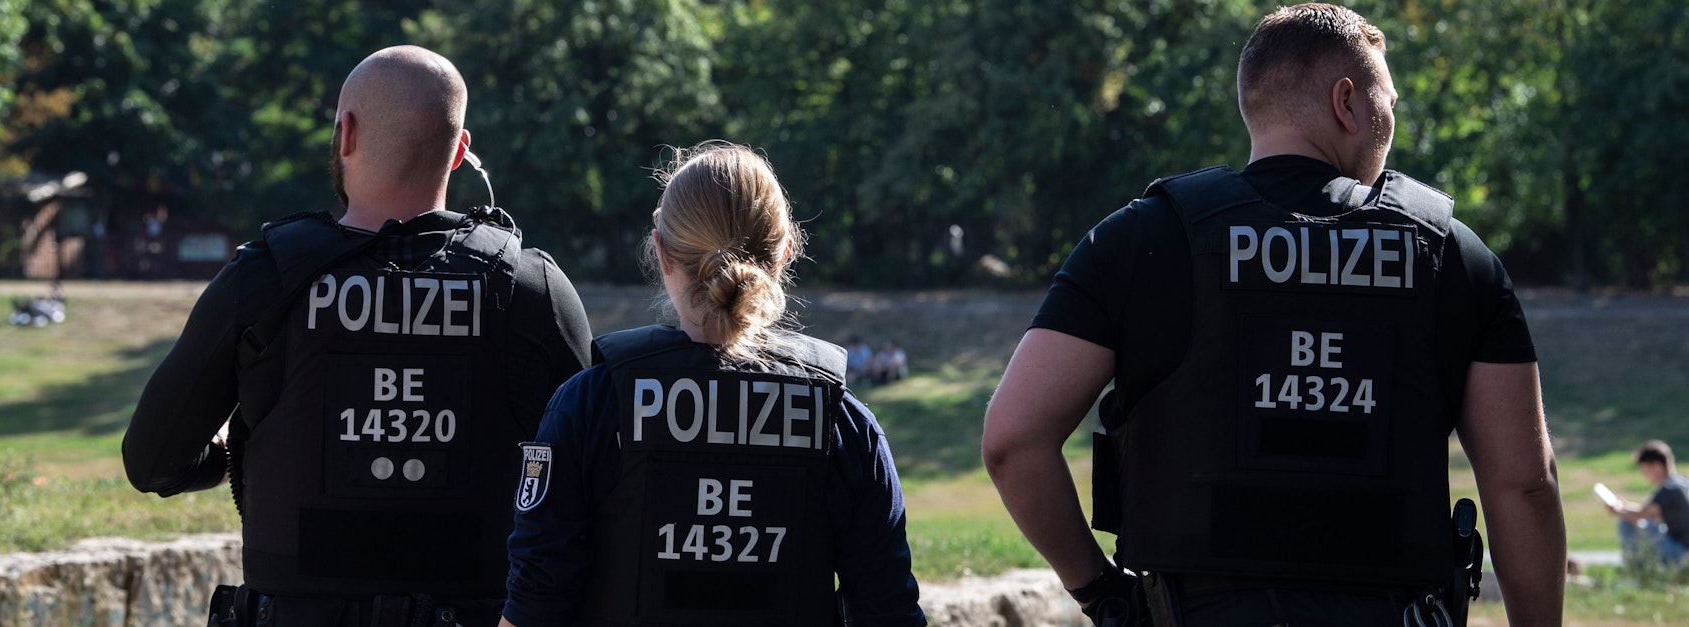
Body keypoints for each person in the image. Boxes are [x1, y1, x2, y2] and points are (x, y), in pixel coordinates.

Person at [980, 4, 1565, 626]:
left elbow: (1013, 442)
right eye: (1388, 102)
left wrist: (1102, 594)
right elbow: (1524, 483)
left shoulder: (1142, 239)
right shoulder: (1451, 255)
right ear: (1349, 102)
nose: (1391, 120)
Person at [122, 45, 592, 626]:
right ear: (459, 151)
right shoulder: (531, 289)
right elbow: (589, 493)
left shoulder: (264, 279)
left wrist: (231, 457)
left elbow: (151, 462)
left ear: (344, 134)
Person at [499, 142, 925, 627]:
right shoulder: (844, 423)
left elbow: (535, 605)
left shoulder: (589, 404)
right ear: (785, 253)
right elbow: (889, 611)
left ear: (660, 253)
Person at [1609, 440, 1689, 568]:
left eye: (1644, 469)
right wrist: (1624, 506)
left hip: (1684, 555)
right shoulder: (1682, 482)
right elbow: (1647, 512)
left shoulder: (1668, 490)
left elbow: (1639, 515)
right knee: (1646, 524)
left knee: (1626, 522)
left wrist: (1618, 511)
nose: (1643, 474)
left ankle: (1637, 572)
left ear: (1657, 466)